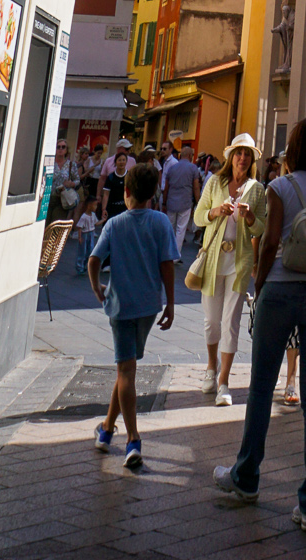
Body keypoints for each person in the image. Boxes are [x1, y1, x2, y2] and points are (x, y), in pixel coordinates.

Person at [213, 116, 306, 525]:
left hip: (280, 288)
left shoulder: (279, 187)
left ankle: (246, 477)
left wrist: (260, 285)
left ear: (293, 150)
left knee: (261, 388)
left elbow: (270, 243)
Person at [87, 161, 177, 470]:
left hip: (121, 306)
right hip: (148, 307)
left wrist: (97, 288)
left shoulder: (115, 224)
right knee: (126, 367)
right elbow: (167, 264)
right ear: (153, 193)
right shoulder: (161, 222)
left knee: (126, 371)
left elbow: (94, 260)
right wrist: (171, 303)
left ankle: (133, 439)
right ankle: (106, 430)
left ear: (126, 191)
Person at [194, 133, 267, 406]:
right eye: (239, 153)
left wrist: (249, 216)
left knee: (231, 322)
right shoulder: (215, 182)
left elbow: (261, 227)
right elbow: (198, 217)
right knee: (211, 321)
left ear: (252, 160)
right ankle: (211, 368)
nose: (242, 158)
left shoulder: (257, 189)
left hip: (239, 262)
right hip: (213, 260)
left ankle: (224, 382)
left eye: (247, 154)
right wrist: (215, 211)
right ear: (231, 157)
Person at [160, 141, 204, 260]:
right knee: (181, 229)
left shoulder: (172, 168)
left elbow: (166, 187)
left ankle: (166, 252)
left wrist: (164, 202)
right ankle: (176, 256)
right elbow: (196, 187)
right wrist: (198, 202)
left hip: (171, 202)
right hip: (185, 202)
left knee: (170, 228)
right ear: (190, 156)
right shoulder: (193, 168)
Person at [99, 144, 132, 223]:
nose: (121, 162)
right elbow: (106, 194)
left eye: (123, 160)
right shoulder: (111, 177)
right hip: (112, 208)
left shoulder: (130, 176)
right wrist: (104, 209)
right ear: (115, 162)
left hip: (125, 208)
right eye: (119, 160)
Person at [73, 197, 99, 276]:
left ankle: (84, 265)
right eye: (95, 205)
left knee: (90, 249)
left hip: (91, 233)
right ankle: (80, 267)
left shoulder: (93, 215)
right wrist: (80, 237)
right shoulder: (84, 216)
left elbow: (96, 223)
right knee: (82, 251)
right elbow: (80, 227)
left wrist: (103, 220)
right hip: (85, 234)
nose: (96, 207)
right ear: (89, 205)